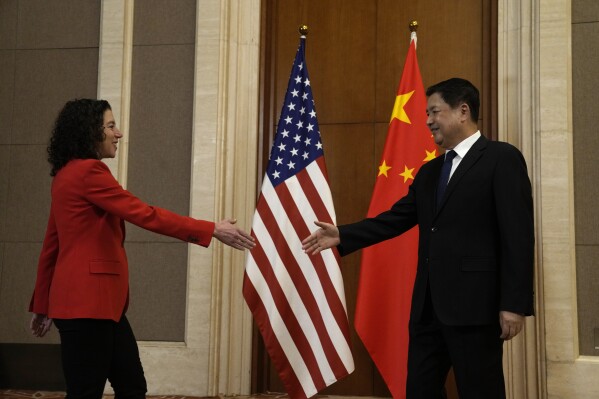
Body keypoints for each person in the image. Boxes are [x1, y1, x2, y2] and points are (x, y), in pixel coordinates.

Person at [302, 78, 534, 399]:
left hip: (475, 309)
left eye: (434, 111)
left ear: (463, 111)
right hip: (427, 310)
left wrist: (513, 304)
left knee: (481, 392)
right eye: (427, 113)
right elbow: (395, 220)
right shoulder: (429, 173)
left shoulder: (501, 158)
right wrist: (343, 234)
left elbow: (518, 236)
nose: (427, 121)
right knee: (420, 391)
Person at [29, 99, 255, 399]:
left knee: (132, 387)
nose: (118, 133)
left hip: (96, 306)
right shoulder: (88, 172)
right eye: (110, 126)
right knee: (91, 392)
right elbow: (144, 213)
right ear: (90, 132)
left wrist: (43, 304)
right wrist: (210, 228)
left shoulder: (65, 175)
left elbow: (51, 245)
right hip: (88, 305)